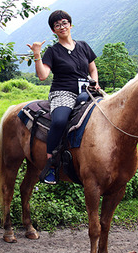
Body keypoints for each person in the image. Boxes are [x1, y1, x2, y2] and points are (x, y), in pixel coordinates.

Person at [27, 10, 100, 184]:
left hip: (86, 90)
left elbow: (93, 69)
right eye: (57, 25)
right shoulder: (53, 51)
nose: (62, 27)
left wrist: (95, 82)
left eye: (65, 22)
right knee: (59, 121)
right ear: (53, 30)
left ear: (70, 25)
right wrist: (37, 54)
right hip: (62, 92)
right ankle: (51, 163)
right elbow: (43, 75)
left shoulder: (83, 46)